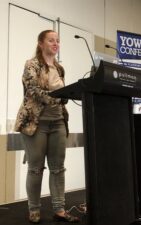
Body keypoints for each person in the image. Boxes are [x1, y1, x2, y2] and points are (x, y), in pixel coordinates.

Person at [14, 30, 79, 223]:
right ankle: (34, 210)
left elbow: (62, 94)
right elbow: (32, 90)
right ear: (41, 43)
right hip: (36, 123)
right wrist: (56, 97)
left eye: (58, 41)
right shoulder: (31, 64)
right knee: (35, 169)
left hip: (58, 122)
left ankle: (59, 209)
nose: (55, 43)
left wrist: (69, 94)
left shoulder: (59, 68)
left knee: (58, 168)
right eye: (51, 40)